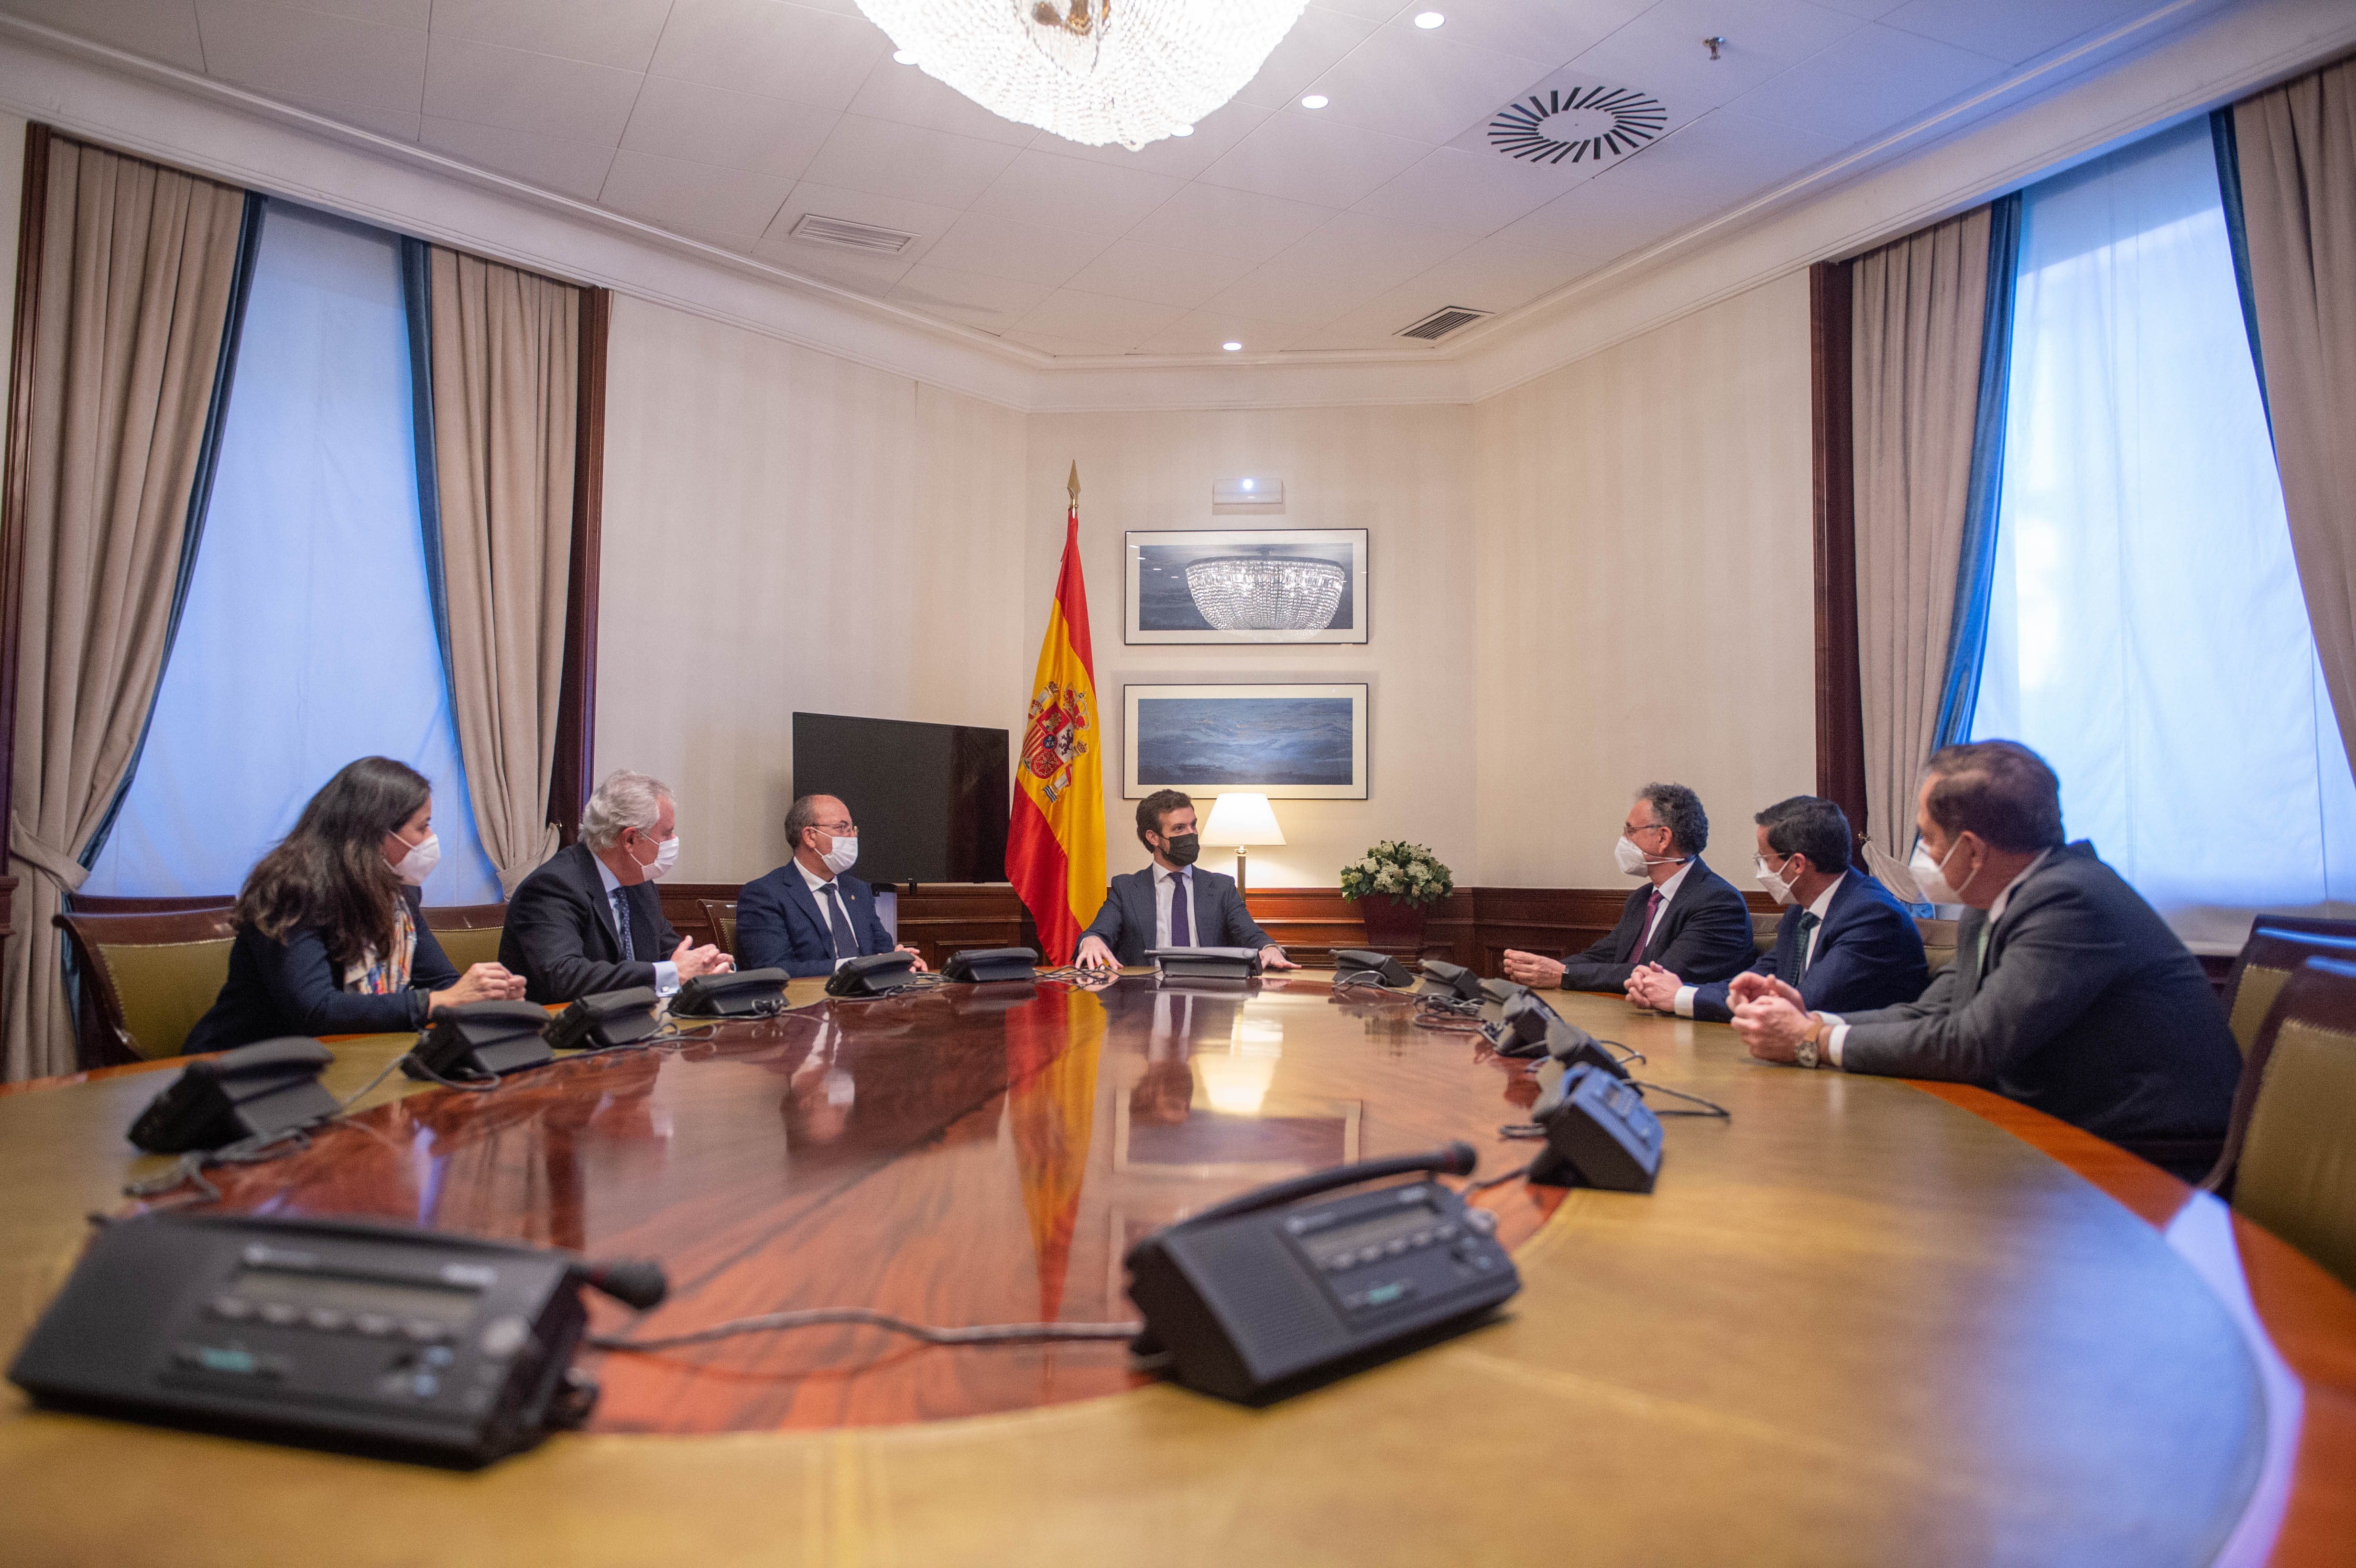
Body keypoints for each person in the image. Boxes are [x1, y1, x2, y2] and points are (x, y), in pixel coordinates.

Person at [1729, 741, 2241, 1156]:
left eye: (1926, 839)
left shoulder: (2071, 900)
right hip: (2054, 1127)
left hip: (2144, 1156)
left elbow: (1970, 1045)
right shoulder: (1991, 898)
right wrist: (1815, 1019)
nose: (1921, 855)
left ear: (1971, 849)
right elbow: (1934, 1010)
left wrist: (1808, 1041)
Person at [185, 757, 526, 1052]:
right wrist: (440, 1003)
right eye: (422, 828)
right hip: (242, 1070)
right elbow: (316, 1011)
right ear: (375, 833)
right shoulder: (289, 891)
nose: (431, 840)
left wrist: (483, 997)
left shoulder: (400, 893)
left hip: (353, 1058)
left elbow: (440, 983)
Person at [1625, 795, 1927, 1022]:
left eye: (1765, 858)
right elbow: (1756, 981)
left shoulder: (1872, 916)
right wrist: (1671, 990)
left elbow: (1803, 1002)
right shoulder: (1800, 911)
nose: (1762, 868)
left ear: (1797, 864)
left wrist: (1679, 997)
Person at [500, 770, 732, 1003]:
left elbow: (671, 953)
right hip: (558, 1030)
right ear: (630, 839)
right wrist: (670, 973)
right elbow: (564, 977)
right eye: (667, 833)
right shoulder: (553, 886)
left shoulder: (639, 884)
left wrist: (708, 967)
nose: (673, 841)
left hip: (631, 1024)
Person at [1501, 783, 1754, 993]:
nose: (1625, 840)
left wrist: (1563, 974)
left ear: (1663, 838)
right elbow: (1603, 955)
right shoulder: (1643, 898)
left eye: (1631, 831)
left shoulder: (1718, 902)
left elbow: (1661, 975)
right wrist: (1541, 969)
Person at [1076, 790, 1297, 970]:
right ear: (1153, 838)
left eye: (1193, 825)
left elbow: (1250, 934)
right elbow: (1099, 932)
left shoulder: (1221, 887)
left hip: (1211, 998)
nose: (1191, 834)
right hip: (1144, 1000)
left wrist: (1269, 947)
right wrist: (1092, 940)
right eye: (1179, 828)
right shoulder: (1127, 888)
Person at [736, 794, 930, 979]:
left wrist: (899, 959)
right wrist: (851, 967)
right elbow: (776, 969)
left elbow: (882, 950)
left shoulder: (858, 890)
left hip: (870, 1000)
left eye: (853, 829)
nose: (852, 837)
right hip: (809, 1006)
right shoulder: (765, 894)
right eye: (842, 828)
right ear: (810, 836)